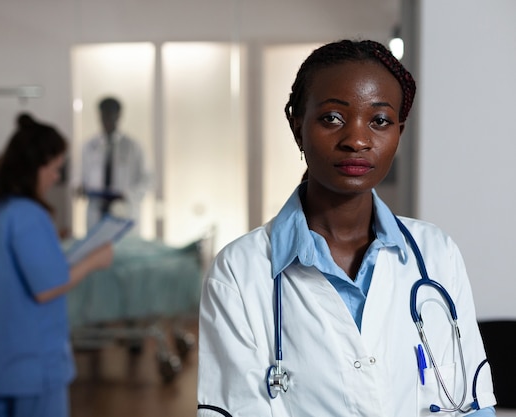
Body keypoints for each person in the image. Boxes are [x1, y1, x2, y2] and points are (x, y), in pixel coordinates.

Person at [197, 40, 497, 416]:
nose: (356, 139)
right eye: (332, 118)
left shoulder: (437, 253)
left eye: (380, 121)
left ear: (398, 133)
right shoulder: (239, 272)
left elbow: (469, 403)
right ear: (297, 127)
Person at [0, 113, 114, 417]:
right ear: (35, 166)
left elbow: (4, 266)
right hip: (30, 365)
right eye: (55, 168)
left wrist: (52, 239)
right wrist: (92, 261)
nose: (56, 178)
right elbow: (48, 288)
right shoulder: (29, 215)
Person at [80, 96, 150, 231]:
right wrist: (80, 187)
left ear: (119, 116)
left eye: (110, 115)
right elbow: (79, 177)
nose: (107, 120)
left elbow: (147, 180)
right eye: (104, 116)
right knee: (96, 247)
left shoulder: (133, 147)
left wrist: (128, 194)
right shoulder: (89, 146)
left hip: (124, 210)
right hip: (97, 211)